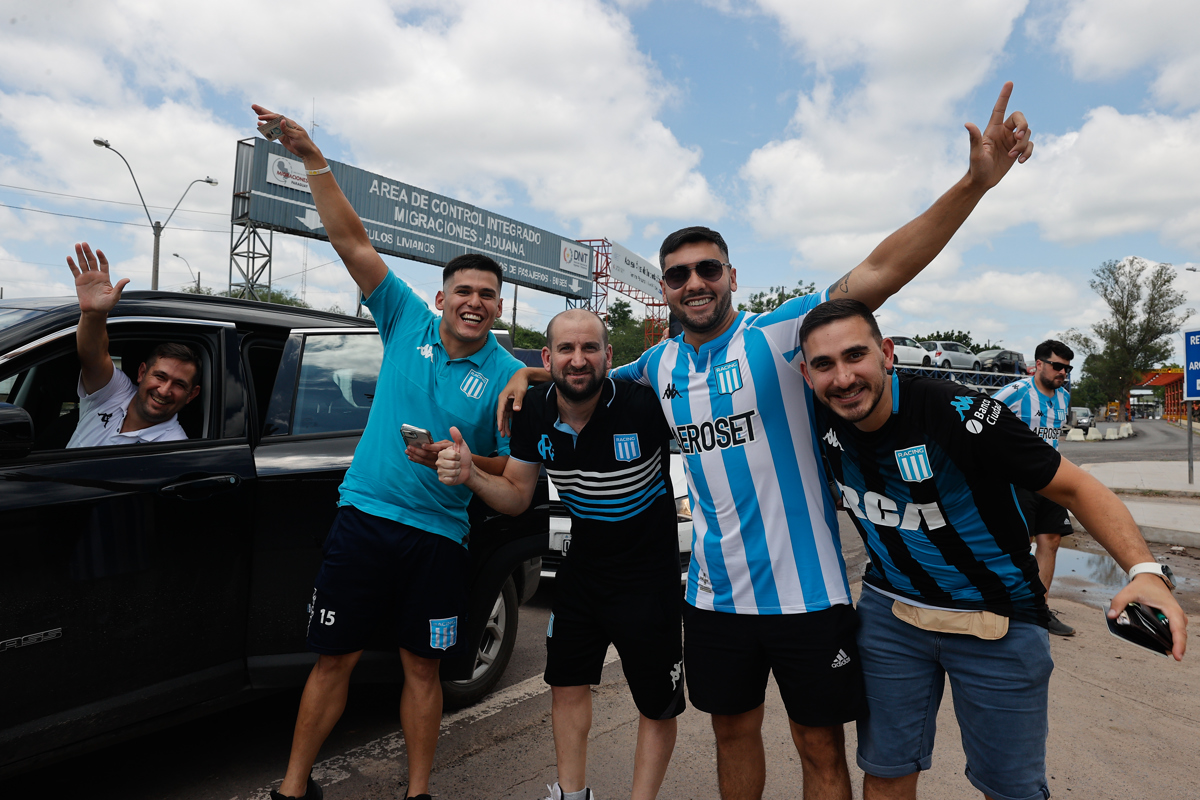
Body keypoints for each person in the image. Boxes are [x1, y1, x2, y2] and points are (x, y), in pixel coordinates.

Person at [500, 82, 1036, 800]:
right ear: (663, 289)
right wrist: (520, 377)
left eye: (707, 270)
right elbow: (578, 372)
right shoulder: (653, 368)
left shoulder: (783, 336)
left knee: (819, 748)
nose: (695, 283)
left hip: (809, 597)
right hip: (716, 599)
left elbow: (881, 270)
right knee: (730, 738)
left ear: (730, 277)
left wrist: (973, 184)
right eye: (679, 275)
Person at [797, 298, 1186, 800]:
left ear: (886, 353)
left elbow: (1077, 488)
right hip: (891, 616)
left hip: (997, 619)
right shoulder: (813, 414)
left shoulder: (956, 410)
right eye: (824, 365)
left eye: (855, 356)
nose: (844, 378)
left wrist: (1145, 570)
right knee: (886, 775)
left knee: (1011, 790)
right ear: (806, 375)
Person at [251, 105, 524, 800]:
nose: (474, 302)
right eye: (464, 291)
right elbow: (351, 240)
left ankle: (418, 792)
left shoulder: (504, 376)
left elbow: (504, 470)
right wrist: (313, 158)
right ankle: (292, 787)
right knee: (332, 660)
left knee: (423, 669)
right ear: (442, 296)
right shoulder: (404, 316)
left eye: (487, 296)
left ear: (499, 308)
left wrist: (466, 465)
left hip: (439, 540)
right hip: (364, 520)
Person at [437, 308, 684, 800]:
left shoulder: (645, 403)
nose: (578, 360)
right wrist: (470, 474)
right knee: (567, 686)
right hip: (580, 573)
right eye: (566, 350)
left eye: (590, 348)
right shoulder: (533, 411)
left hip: (648, 580)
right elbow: (518, 495)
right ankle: (571, 796)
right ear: (547, 357)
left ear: (608, 356)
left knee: (657, 705)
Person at [65, 242, 200, 448]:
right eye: (160, 376)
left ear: (192, 395)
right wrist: (93, 314)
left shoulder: (173, 449)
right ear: (141, 372)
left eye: (179, 384)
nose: (164, 391)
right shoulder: (114, 393)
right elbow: (93, 356)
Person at [993, 339, 1076, 635]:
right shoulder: (1015, 392)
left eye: (1067, 368)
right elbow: (979, 423)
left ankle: (1039, 609)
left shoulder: (1063, 397)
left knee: (1051, 540)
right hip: (1017, 481)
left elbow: (1053, 437)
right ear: (1038, 364)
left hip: (1051, 477)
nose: (1062, 372)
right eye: (1057, 366)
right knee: (1019, 543)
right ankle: (1007, 606)